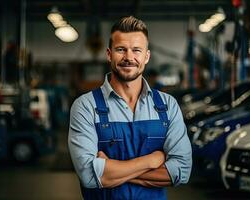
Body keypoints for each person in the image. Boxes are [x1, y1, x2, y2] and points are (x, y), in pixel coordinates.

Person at [68, 16, 192, 200]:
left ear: (146, 56)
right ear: (109, 54)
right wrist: (151, 161)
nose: (129, 57)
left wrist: (110, 169)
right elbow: (89, 175)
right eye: (121, 50)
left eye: (136, 50)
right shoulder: (86, 106)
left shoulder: (167, 106)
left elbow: (181, 171)